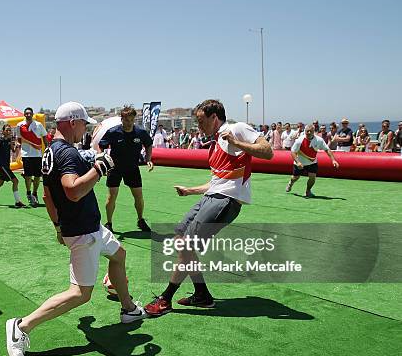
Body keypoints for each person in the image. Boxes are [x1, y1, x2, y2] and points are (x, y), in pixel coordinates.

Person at [5, 102, 146, 356]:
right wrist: (99, 168)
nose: (85, 130)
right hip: (83, 231)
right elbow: (72, 190)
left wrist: (58, 226)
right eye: (84, 124)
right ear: (72, 123)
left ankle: (128, 309)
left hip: (87, 227)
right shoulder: (67, 153)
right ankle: (21, 326)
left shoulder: (50, 152)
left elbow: (48, 196)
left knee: (119, 255)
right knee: (80, 294)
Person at [145, 99, 273, 317]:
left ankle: (166, 298)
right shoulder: (214, 145)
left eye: (201, 121)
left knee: (186, 244)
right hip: (212, 196)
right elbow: (216, 181)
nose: (198, 126)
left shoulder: (235, 129)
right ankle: (202, 295)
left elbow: (267, 151)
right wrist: (189, 190)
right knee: (180, 239)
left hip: (227, 200)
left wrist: (236, 142)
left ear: (215, 117)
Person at [98, 106, 154, 233]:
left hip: (132, 169)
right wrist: (101, 161)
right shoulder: (113, 132)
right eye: (126, 120)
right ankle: (109, 223)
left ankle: (140, 220)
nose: (129, 123)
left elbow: (149, 144)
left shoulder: (141, 132)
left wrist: (149, 159)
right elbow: (101, 146)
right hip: (114, 168)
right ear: (121, 119)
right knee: (111, 197)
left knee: (139, 197)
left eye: (131, 120)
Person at [286, 125, 340, 197]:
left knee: (312, 177)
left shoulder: (319, 140)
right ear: (304, 131)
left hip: (312, 162)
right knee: (295, 178)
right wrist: (298, 162)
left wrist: (333, 160)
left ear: (313, 132)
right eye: (307, 131)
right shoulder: (300, 140)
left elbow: (327, 150)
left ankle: (308, 191)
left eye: (310, 131)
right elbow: (293, 152)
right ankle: (290, 183)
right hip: (299, 163)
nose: (308, 132)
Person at [0, 124, 26, 207]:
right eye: (7, 130)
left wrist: (17, 146)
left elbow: (13, 151)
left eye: (9, 130)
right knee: (15, 181)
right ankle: (18, 202)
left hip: (6, 165)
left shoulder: (9, 140)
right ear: (3, 131)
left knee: (0, 182)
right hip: (2, 165)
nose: (8, 131)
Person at [17, 107, 48, 207]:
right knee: (28, 176)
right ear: (24, 114)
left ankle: (35, 193)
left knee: (38, 176)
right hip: (26, 154)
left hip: (37, 155)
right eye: (26, 113)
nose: (28, 115)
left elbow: (44, 136)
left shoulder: (38, 125)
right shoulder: (20, 125)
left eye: (30, 113)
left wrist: (47, 149)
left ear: (33, 114)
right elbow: (19, 139)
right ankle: (29, 192)